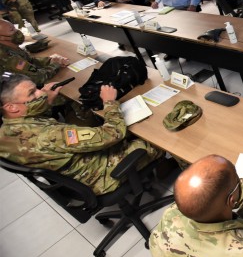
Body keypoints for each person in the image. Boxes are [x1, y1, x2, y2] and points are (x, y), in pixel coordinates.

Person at [0, 74, 164, 195]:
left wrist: (46, 100)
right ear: (12, 107)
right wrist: (110, 102)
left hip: (70, 177)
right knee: (159, 137)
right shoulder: (48, 135)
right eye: (32, 93)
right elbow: (113, 134)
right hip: (99, 176)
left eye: (38, 88)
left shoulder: (6, 131)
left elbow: (36, 130)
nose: (41, 92)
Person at [0, 19, 67, 86]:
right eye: (12, 30)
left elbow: (30, 60)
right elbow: (39, 78)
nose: (17, 32)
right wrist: (56, 64)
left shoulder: (10, 45)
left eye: (14, 28)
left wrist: (49, 60)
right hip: (12, 92)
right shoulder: (7, 56)